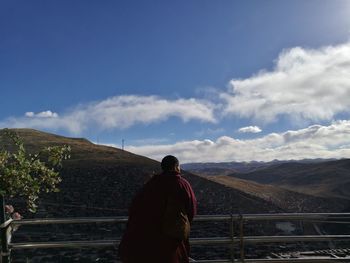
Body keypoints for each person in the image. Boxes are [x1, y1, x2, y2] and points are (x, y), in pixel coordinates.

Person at [118, 155, 197, 263]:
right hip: (169, 243)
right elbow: (191, 210)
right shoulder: (182, 184)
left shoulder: (151, 184)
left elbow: (135, 207)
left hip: (143, 241)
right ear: (176, 167)